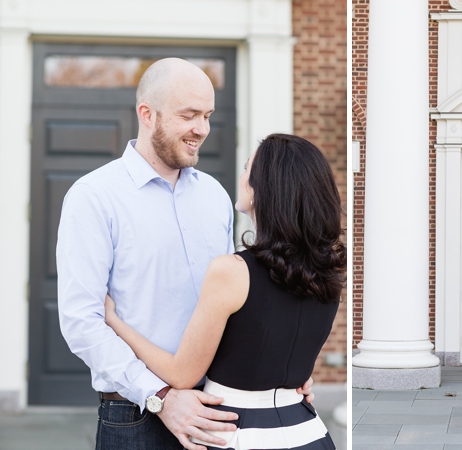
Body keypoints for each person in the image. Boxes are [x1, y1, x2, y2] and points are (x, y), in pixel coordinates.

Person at [57, 58, 312, 450]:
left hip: (219, 409)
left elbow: (239, 303)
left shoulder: (214, 195)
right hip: (135, 415)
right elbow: (81, 322)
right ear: (147, 114)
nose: (202, 129)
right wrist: (161, 396)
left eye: (207, 115)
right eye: (189, 115)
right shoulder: (94, 197)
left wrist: (281, 366)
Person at [104, 133, 345, 450]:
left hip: (239, 434)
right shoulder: (329, 273)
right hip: (309, 432)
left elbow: (182, 374)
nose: (242, 176)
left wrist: (115, 320)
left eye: (248, 169)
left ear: (262, 191)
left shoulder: (230, 271)